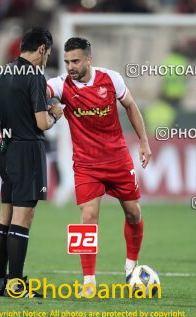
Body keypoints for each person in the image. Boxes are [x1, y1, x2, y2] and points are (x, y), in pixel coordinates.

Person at [47, 37, 152, 294]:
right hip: (86, 164)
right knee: (87, 217)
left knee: (133, 213)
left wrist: (143, 142)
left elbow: (131, 106)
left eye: (75, 61)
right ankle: (89, 281)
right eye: (67, 61)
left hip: (117, 159)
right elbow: (39, 91)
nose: (70, 66)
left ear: (88, 60)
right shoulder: (61, 84)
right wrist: (51, 105)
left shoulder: (111, 79)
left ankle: (130, 266)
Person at [0, 27, 63, 298]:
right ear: (42, 49)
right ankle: (16, 285)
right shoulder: (34, 76)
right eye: (48, 52)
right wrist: (56, 113)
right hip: (28, 150)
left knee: (4, 217)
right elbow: (42, 122)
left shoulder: (3, 73)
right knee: (23, 218)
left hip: (6, 149)